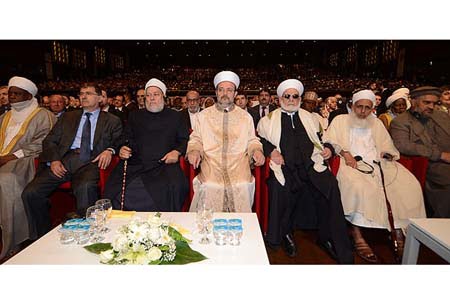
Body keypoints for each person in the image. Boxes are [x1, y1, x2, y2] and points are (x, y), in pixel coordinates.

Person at [257, 79, 353, 263]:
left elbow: (323, 139)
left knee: (331, 185)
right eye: (287, 96)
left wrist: (328, 149)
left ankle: (328, 237)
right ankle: (284, 234)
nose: (291, 99)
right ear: (279, 99)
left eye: (295, 96)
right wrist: (272, 151)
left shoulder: (311, 118)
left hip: (311, 165)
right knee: (279, 187)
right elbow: (260, 140)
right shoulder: (267, 121)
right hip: (285, 166)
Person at [324, 89, 426, 263]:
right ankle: (357, 234)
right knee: (358, 186)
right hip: (350, 163)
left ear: (372, 108)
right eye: (359, 107)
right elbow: (331, 140)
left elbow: (387, 145)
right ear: (352, 106)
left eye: (367, 108)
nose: (363, 111)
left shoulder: (376, 123)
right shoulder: (340, 120)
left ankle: (398, 230)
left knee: (408, 185)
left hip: (379, 163)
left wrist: (387, 154)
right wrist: (346, 153)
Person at [22, 83, 123, 239]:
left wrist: (109, 150)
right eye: (81, 93)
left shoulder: (112, 120)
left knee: (85, 187)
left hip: (91, 161)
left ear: (100, 98)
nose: (83, 96)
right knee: (31, 193)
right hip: (65, 160)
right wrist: (54, 160)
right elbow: (49, 141)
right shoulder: (68, 117)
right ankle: (41, 237)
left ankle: (88, 235)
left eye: (88, 93)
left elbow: (119, 141)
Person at [103, 78, 189, 212]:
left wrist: (177, 152)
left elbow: (184, 139)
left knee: (176, 186)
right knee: (114, 188)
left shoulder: (176, 116)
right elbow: (125, 137)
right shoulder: (135, 116)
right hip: (137, 164)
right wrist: (122, 149)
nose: (151, 98)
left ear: (163, 97)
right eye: (148, 95)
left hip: (164, 164)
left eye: (156, 94)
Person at [187, 71, 265, 213]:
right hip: (212, 165)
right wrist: (194, 150)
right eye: (221, 89)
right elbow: (196, 138)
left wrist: (256, 150)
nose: (225, 93)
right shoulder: (203, 116)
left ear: (235, 94)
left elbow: (252, 139)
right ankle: (208, 231)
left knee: (242, 185)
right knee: (210, 185)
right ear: (216, 92)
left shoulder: (245, 117)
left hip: (238, 165)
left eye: (229, 90)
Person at [0, 76, 56, 260]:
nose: (12, 97)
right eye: (10, 93)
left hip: (25, 160)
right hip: (2, 158)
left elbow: (44, 142)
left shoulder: (43, 115)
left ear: (28, 95)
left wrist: (11, 156)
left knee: (6, 180)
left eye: (17, 93)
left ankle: (14, 240)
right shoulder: (4, 116)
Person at [390, 86, 450, 218]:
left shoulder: (442, 116)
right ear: (413, 101)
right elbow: (403, 145)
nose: (431, 107)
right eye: (426, 102)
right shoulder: (400, 122)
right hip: (429, 166)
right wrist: (440, 155)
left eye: (434, 103)